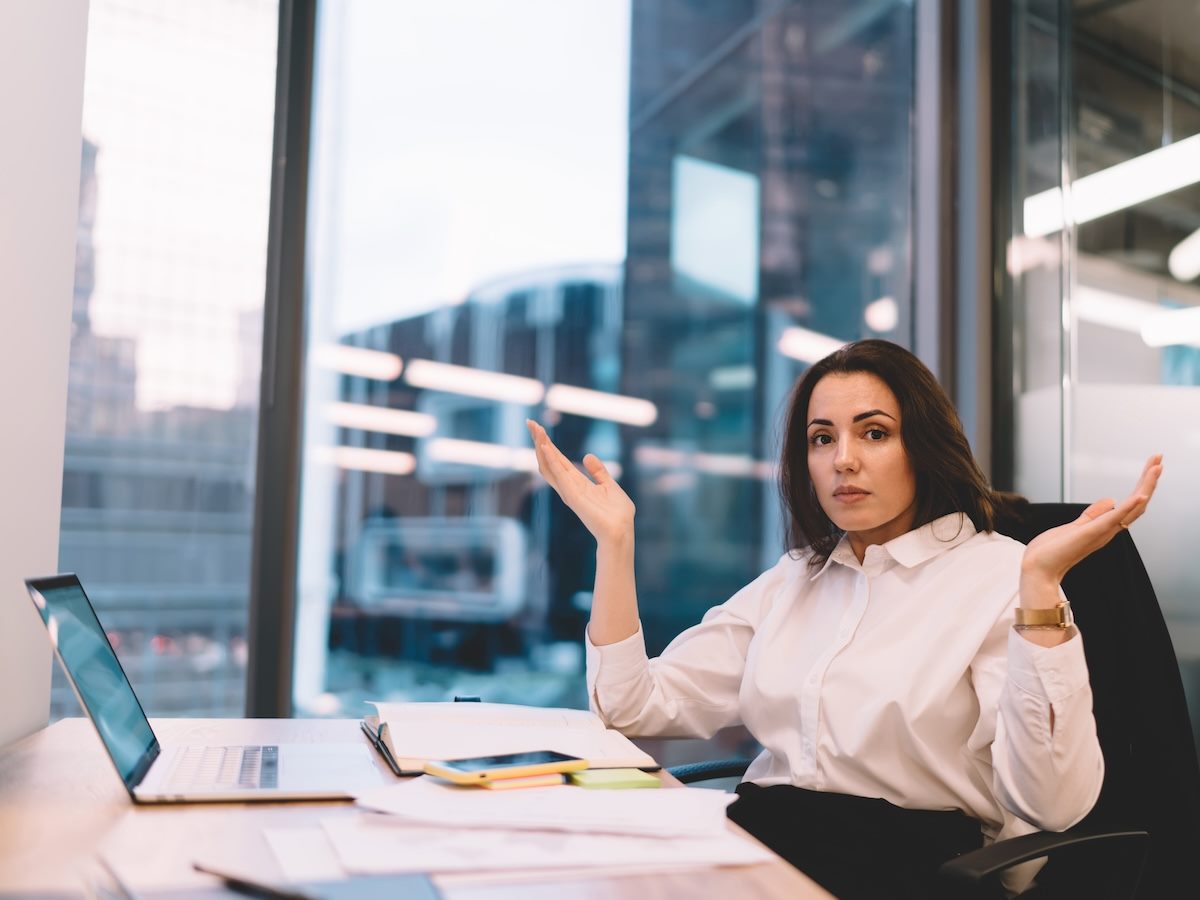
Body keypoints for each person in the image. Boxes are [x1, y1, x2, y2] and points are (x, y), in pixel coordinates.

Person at [525, 339, 1162, 899]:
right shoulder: (795, 579)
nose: (843, 460)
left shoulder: (1001, 576)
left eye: (874, 432)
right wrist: (615, 544)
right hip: (763, 843)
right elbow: (632, 708)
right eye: (822, 438)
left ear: (924, 445)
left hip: (905, 868)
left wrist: (1041, 588)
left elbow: (1054, 803)